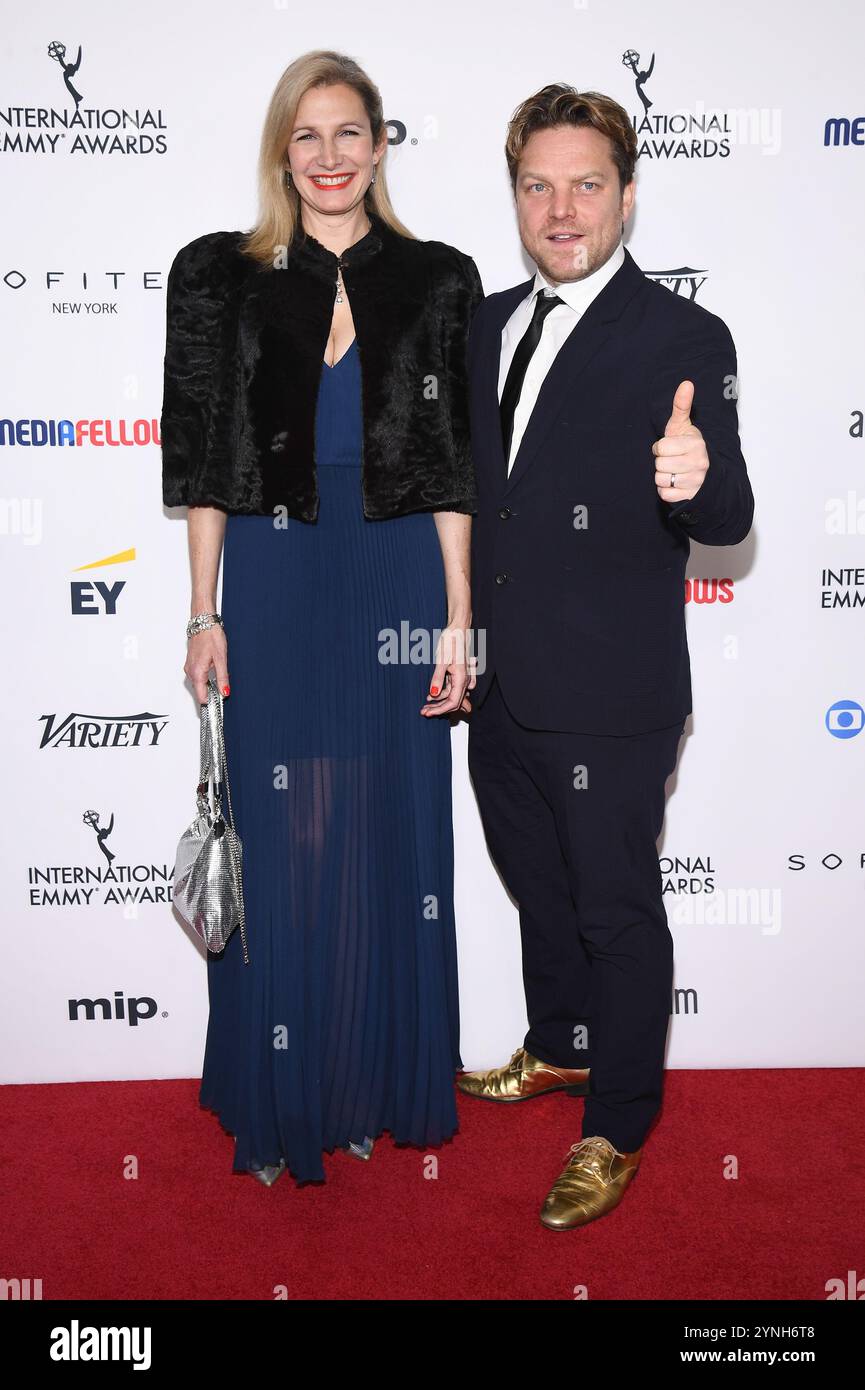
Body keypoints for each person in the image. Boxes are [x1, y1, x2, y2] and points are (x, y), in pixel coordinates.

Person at [161, 50, 483, 1186]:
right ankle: (282, 1087)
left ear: (381, 146)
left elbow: (452, 473)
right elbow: (204, 461)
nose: (330, 156)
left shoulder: (439, 280)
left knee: (382, 831)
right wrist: (203, 613)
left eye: (350, 133)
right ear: (280, 152)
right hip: (277, 572)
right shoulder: (217, 276)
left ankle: (360, 1083)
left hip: (395, 572)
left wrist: (459, 618)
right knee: (285, 833)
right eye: (308, 136)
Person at [459, 84, 754, 1229]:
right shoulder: (482, 324)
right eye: (539, 184)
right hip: (499, 684)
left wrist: (697, 479)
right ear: (516, 196)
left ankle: (617, 1123)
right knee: (542, 890)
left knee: (616, 909)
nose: (561, 207)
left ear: (627, 196)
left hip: (613, 694)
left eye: (586, 184)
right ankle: (564, 1045)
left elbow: (724, 510)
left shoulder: (682, 337)